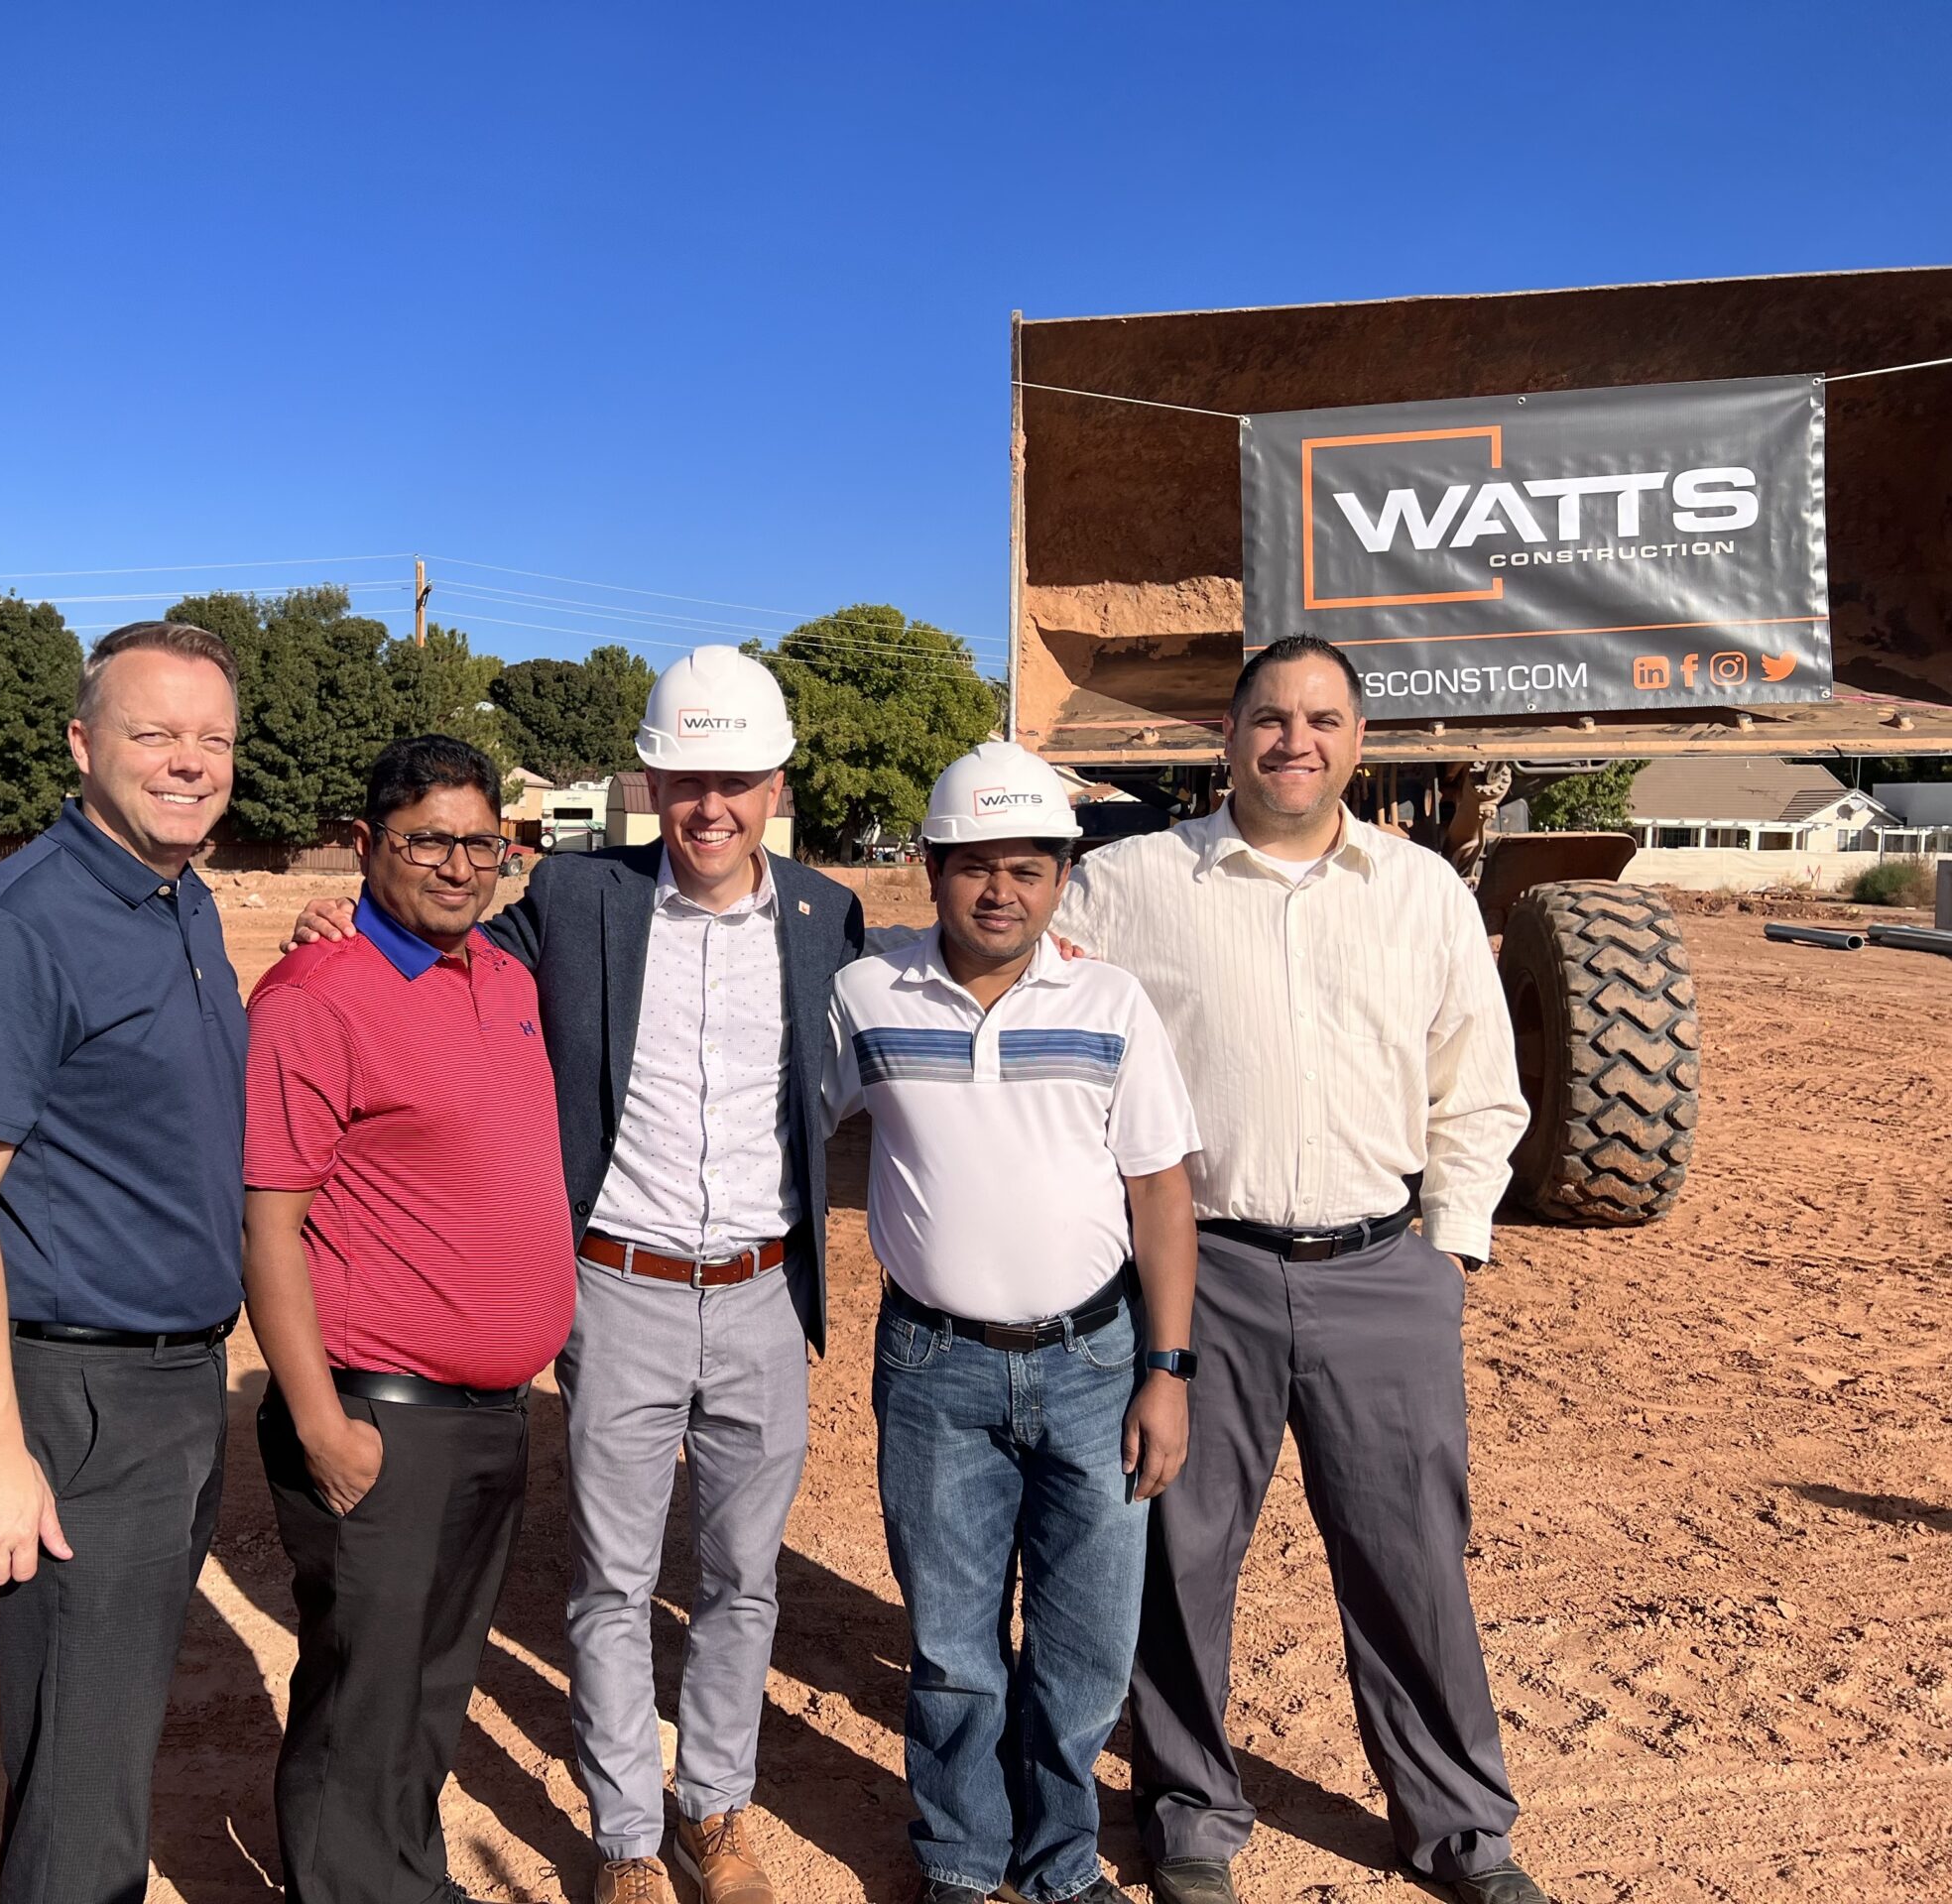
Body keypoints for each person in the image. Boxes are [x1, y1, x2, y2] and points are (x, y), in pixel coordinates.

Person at [288, 645, 866, 1904]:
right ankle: (625, 1838)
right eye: (683, 779)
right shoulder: (577, 901)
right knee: (612, 1577)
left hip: (765, 1292)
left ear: (775, 784)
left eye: (736, 780)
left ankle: (714, 1809)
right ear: (650, 783)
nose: (709, 807)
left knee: (742, 1579)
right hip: (617, 1288)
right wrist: (338, 915)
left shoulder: (829, 916)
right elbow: (431, 936)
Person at [1049, 636, 1547, 1904]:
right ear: (1225, 737)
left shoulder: (1423, 890)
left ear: (1357, 741)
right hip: (1198, 1270)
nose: (1294, 741)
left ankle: (1460, 1831)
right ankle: (1191, 1814)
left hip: (1384, 1270)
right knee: (1178, 1549)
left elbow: (1477, 1089)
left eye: (1322, 719)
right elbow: (1040, 1027)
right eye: (1269, 718)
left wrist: (1449, 1247)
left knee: (1411, 1556)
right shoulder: (1125, 887)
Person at [824, 742, 1201, 1904]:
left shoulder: (1109, 1000)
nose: (1002, 889)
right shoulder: (863, 998)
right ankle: (958, 1857)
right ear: (930, 869)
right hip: (932, 1363)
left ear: (1061, 877)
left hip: (1096, 1363)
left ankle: (1055, 1861)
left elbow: (1160, 1190)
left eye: (1029, 866)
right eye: (974, 864)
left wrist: (1166, 1370)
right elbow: (799, 1121)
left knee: (1085, 1655)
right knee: (950, 1647)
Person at [0, 620, 248, 1904]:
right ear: (82, 742)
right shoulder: (16, 928)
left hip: (179, 1387)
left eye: (211, 738)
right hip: (81, 1406)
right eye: (155, 732)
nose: (189, 761)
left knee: (111, 1742)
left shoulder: (184, 897)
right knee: (79, 1796)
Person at [243, 734, 577, 1904]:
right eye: (425, 840)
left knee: (430, 1688)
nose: (455, 865)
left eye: (478, 842)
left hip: (492, 1415)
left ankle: (404, 1882)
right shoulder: (315, 994)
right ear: (363, 844)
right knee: (362, 1696)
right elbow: (267, 1227)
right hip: (379, 1412)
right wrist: (323, 1427)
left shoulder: (502, 976)